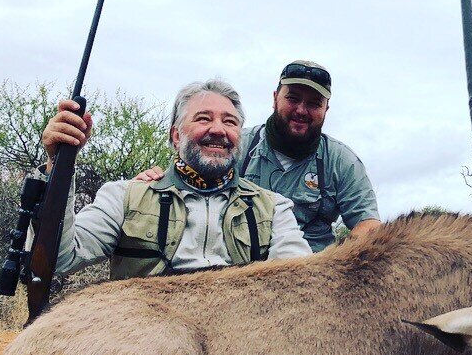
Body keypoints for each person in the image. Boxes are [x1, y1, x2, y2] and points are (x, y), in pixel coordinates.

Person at [41, 79, 311, 279]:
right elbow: (61, 259)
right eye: (203, 119)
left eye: (230, 122)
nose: (218, 129)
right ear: (176, 136)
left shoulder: (274, 208)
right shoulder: (124, 196)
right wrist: (59, 165)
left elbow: (299, 279)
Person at [138, 61, 380, 251]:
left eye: (314, 103)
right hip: (241, 270)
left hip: (312, 275)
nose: (301, 110)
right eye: (293, 98)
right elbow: (188, 177)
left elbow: (369, 225)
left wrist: (333, 263)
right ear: (275, 98)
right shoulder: (235, 144)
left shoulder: (342, 162)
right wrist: (155, 182)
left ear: (326, 108)